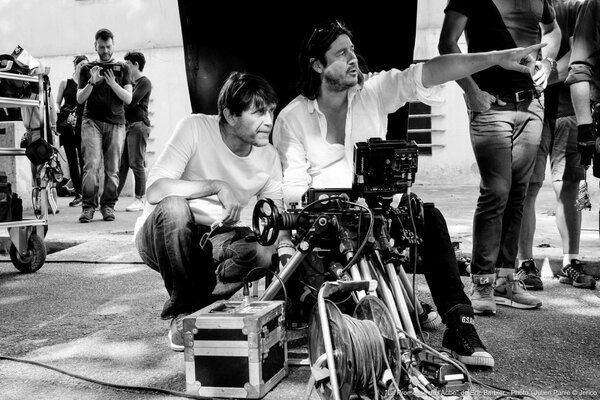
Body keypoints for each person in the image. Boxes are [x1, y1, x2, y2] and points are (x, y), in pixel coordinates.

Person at [273, 20, 542, 368]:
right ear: (317, 65)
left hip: (382, 217)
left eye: (352, 50)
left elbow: (430, 72)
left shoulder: (373, 91)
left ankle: (460, 327)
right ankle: (385, 318)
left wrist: (498, 58)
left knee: (429, 217)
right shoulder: (292, 118)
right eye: (341, 53)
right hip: (326, 229)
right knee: (353, 326)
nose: (353, 59)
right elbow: (293, 189)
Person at [134, 71, 290, 351]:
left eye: (271, 111)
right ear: (230, 115)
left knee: (263, 250)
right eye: (258, 113)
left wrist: (285, 248)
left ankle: (198, 305)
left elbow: (276, 219)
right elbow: (155, 190)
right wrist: (216, 186)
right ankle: (184, 313)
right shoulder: (194, 128)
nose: (269, 121)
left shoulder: (268, 157)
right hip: (163, 235)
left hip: (215, 238)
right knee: (174, 208)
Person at [438, 0, 561, 315]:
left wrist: (547, 62)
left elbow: (553, 29)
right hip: (490, 105)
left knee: (518, 193)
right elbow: (446, 42)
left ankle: (506, 281)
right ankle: (481, 282)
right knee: (496, 191)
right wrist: (471, 91)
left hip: (531, 105)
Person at [519, 0, 595, 290]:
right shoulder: (523, 7)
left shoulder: (574, 8)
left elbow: (577, 59)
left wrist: (543, 75)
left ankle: (570, 262)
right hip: (529, 109)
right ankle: (525, 264)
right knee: (527, 189)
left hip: (567, 111)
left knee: (569, 188)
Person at [76, 28, 132, 223]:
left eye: (108, 47)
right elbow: (79, 98)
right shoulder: (87, 69)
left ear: (113, 45)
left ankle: (108, 206)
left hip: (116, 124)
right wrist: (92, 81)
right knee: (91, 165)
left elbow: (129, 98)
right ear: (95, 46)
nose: (106, 50)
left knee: (113, 168)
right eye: (102, 47)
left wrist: (112, 83)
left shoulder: (123, 68)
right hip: (91, 121)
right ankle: (88, 207)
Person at [117, 51, 152, 212]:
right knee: (123, 164)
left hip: (139, 125)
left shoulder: (144, 82)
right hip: (127, 125)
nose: (126, 67)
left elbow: (130, 103)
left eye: (128, 64)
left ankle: (140, 199)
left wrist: (122, 98)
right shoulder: (129, 83)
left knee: (136, 163)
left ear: (136, 64)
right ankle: (111, 198)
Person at [55, 55, 88, 208]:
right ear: (75, 66)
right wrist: (56, 113)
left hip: (82, 124)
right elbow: (56, 103)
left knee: (84, 160)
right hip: (67, 125)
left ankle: (87, 193)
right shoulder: (65, 83)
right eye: (80, 64)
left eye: (85, 64)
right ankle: (78, 194)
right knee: (72, 161)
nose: (83, 66)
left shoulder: (88, 84)